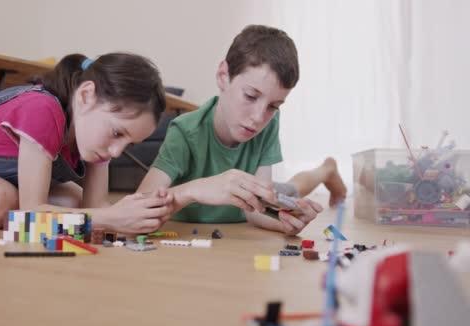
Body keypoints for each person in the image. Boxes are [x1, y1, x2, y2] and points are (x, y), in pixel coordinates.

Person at [0, 53, 172, 233]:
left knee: (76, 206)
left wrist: (137, 215)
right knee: (0, 204)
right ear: (86, 96)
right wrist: (110, 219)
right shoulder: (42, 109)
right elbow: (30, 216)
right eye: (117, 133)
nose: (116, 151)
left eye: (129, 144)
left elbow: (96, 205)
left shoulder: (97, 136)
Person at [138, 25, 346, 236]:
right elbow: (141, 205)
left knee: (290, 190)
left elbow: (256, 210)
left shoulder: (269, 123)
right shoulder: (185, 132)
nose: (258, 118)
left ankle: (326, 169)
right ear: (223, 76)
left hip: (250, 207)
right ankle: (327, 169)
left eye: (273, 106)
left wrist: (283, 223)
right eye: (250, 96)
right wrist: (196, 190)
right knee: (287, 189)